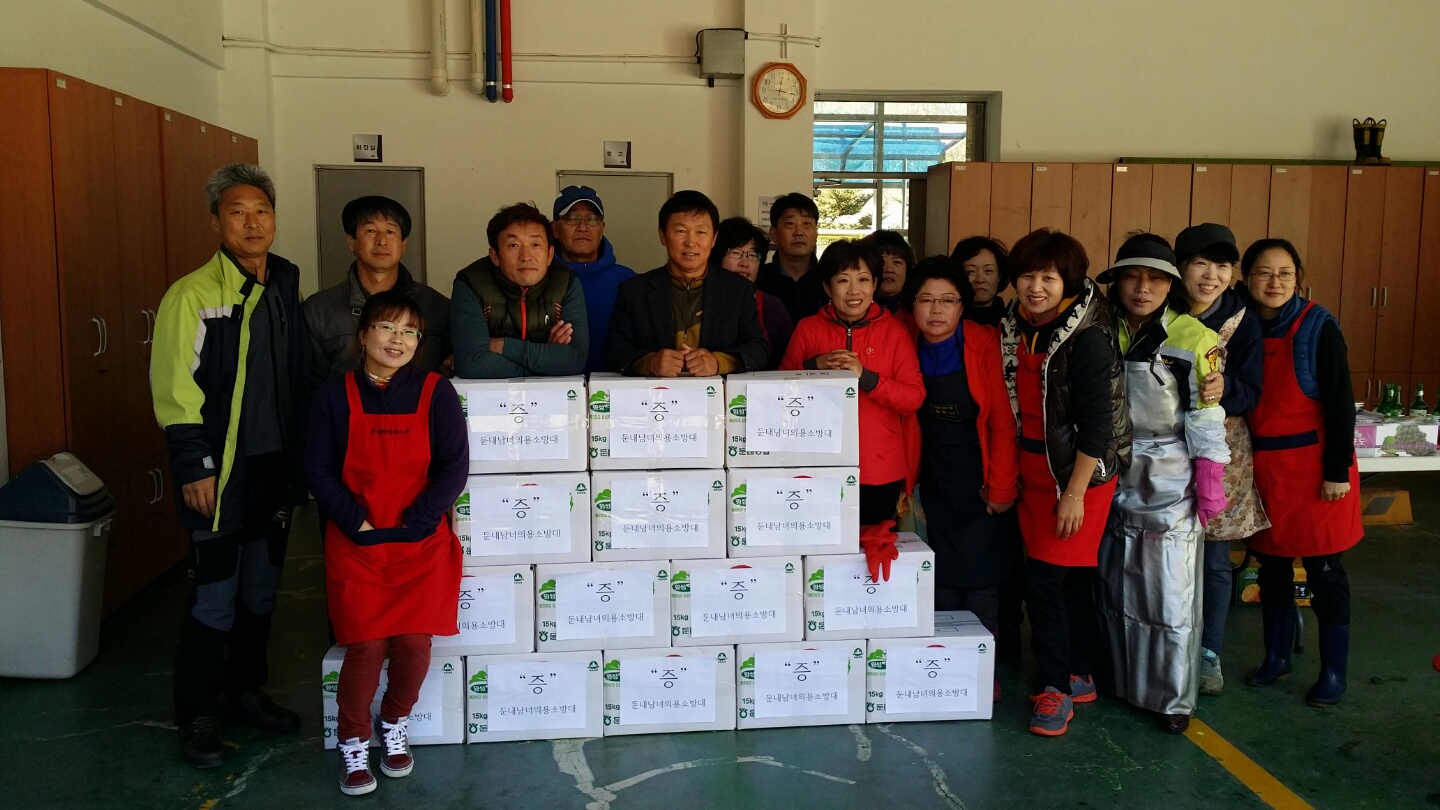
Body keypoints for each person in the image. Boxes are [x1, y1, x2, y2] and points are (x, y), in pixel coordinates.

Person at [150, 163, 310, 768]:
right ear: (216, 221)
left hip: (273, 468)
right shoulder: (193, 295)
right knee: (213, 598)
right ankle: (197, 713)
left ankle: (245, 690)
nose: (252, 223)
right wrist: (195, 465)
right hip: (218, 472)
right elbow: (175, 390)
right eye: (237, 212)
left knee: (261, 592)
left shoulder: (283, 285)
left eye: (261, 211)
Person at [307, 291, 467, 796]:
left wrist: (419, 521)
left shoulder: (436, 393)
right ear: (363, 336)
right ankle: (353, 740)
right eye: (387, 328)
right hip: (359, 543)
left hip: (420, 545)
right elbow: (318, 470)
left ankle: (394, 722)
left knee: (415, 647)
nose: (398, 339)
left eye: (409, 331)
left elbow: (453, 468)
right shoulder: (333, 395)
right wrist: (356, 521)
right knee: (367, 647)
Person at [1092, 234, 1230, 735]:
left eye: (1154, 279)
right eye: (1131, 277)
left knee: (1170, 591)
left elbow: (1207, 415)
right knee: (1114, 584)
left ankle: (1172, 697)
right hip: (1109, 470)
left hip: (1170, 475)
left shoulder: (1195, 339)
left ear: (1171, 285)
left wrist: (1210, 478)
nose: (1142, 288)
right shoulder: (1100, 329)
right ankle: (1119, 679)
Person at [999, 228, 1130, 737]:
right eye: (1028, 276)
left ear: (1068, 282)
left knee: (1044, 582)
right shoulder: (1018, 325)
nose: (1036, 287)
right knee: (1069, 580)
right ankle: (1079, 671)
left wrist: (1074, 493)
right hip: (1034, 471)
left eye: (1049, 278)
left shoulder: (1088, 337)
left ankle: (1054, 688)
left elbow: (1099, 426)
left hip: (1078, 476)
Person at [1240, 238, 1362, 707]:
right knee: (1271, 569)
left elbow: (1340, 403)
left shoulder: (1317, 327)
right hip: (1267, 472)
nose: (1275, 282)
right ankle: (1276, 657)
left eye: (1285, 273)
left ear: (1298, 279)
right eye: (1264, 272)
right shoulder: (1241, 326)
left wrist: (1337, 469)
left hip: (1317, 474)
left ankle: (1333, 672)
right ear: (1246, 278)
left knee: (1325, 573)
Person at [904, 255, 1019, 640]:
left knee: (980, 579)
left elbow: (1001, 422)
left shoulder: (983, 342)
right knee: (938, 577)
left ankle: (982, 662)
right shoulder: (905, 342)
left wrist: (1001, 486)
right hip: (932, 482)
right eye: (926, 300)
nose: (936, 310)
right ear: (913, 305)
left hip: (979, 480)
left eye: (948, 300)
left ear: (962, 305)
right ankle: (946, 658)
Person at [1175, 223, 1268, 697]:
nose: (1211, 276)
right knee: (1162, 552)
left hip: (1221, 454)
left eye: (1223, 266)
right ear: (1181, 267)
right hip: (1165, 449)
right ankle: (1162, 643)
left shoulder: (1242, 321)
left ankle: (1208, 652)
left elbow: (1252, 391)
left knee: (1213, 559)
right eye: (1201, 264)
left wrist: (1226, 387)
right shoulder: (1162, 311)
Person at [781, 239, 926, 525]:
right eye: (843, 280)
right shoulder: (808, 328)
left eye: (863, 279)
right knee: (820, 542)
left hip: (878, 468)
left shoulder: (894, 332)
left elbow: (914, 397)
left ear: (875, 284)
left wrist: (867, 378)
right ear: (827, 287)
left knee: (872, 544)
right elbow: (778, 390)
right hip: (816, 464)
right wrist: (814, 365)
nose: (853, 290)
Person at [605, 190, 769, 376]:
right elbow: (614, 350)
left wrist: (718, 362)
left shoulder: (738, 289)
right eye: (681, 231)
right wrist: (650, 363)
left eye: (701, 232)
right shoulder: (635, 290)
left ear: (714, 239)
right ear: (662, 235)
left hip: (716, 393)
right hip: (655, 393)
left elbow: (758, 349)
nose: (691, 242)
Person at [305, 196, 452, 383]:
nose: (381, 240)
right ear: (351, 241)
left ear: (404, 244)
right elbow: (310, 384)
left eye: (390, 231)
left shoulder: (437, 307)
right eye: (371, 230)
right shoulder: (319, 310)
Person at [452, 203, 589, 378]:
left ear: (549, 255)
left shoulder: (565, 282)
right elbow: (473, 363)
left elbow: (574, 360)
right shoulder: (471, 283)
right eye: (514, 245)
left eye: (535, 244)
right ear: (495, 256)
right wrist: (548, 360)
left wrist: (503, 346)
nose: (526, 256)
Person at [551, 186, 636, 373]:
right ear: (555, 229)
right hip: (557, 386)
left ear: (602, 227)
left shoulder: (630, 282)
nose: (583, 227)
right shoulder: (538, 280)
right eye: (572, 218)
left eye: (592, 219)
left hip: (618, 387)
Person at [710, 216, 793, 368]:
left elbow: (789, 363)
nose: (745, 263)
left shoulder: (772, 307)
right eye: (736, 253)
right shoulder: (701, 300)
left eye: (753, 255)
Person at [757, 192, 827, 320]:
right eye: (790, 223)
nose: (799, 232)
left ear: (816, 234)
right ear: (774, 234)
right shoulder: (759, 279)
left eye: (807, 223)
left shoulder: (828, 279)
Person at [953, 236, 1010, 327]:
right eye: (970, 271)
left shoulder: (1012, 322)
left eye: (988, 271)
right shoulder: (946, 320)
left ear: (999, 276)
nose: (980, 279)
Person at [862, 229, 916, 314]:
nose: (889, 269)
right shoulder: (854, 310)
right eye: (882, 262)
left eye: (897, 262)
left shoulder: (917, 312)